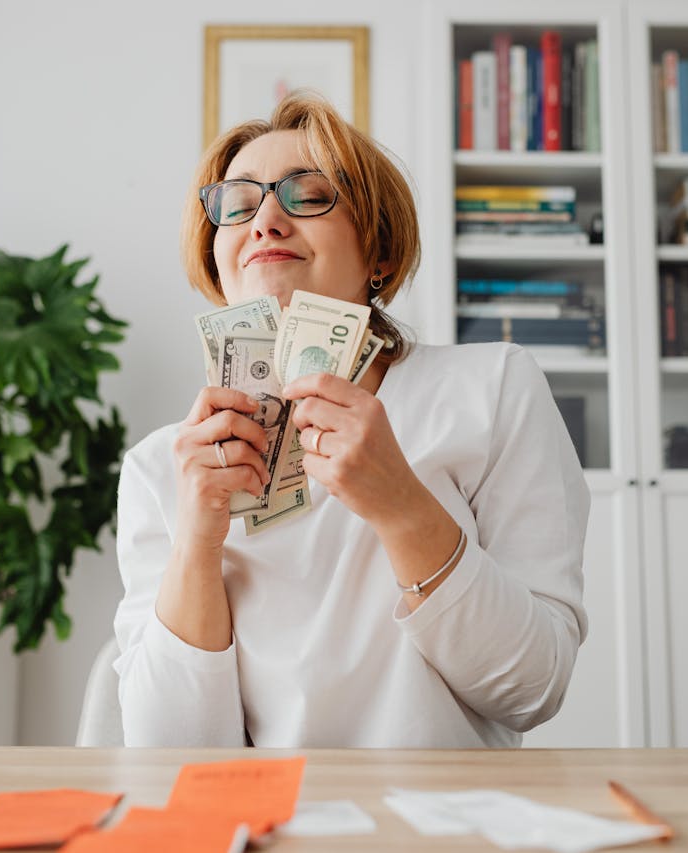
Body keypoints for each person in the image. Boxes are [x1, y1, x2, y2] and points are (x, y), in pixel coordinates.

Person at [112, 92, 589, 748]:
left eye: (307, 194)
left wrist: (401, 506)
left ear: (379, 256)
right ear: (220, 264)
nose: (266, 220)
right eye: (239, 203)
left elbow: (532, 687)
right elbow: (168, 753)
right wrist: (196, 542)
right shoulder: (159, 467)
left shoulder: (493, 388)